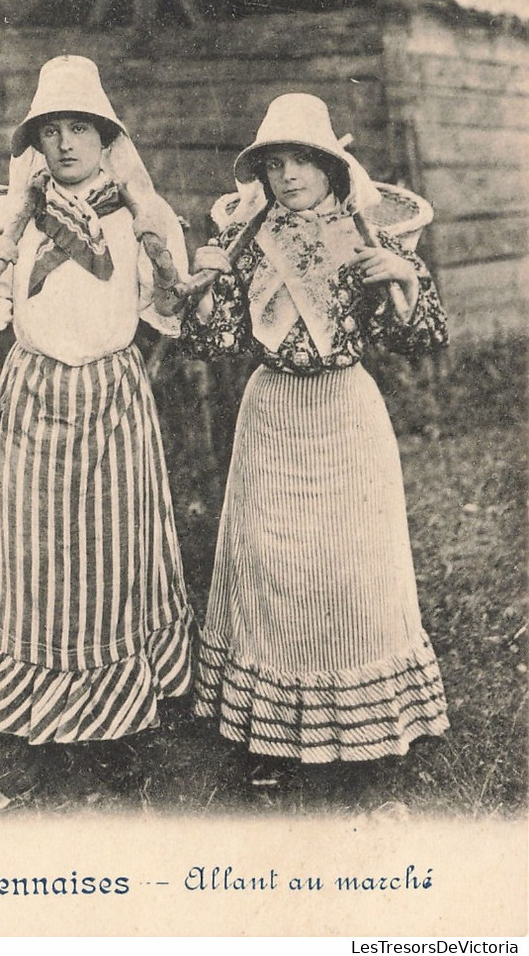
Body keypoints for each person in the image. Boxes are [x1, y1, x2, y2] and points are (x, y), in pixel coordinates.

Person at [0, 55, 193, 807]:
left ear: (107, 135)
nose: (66, 144)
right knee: (34, 560)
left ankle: (111, 726)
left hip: (112, 397)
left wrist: (172, 271)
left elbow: (173, 309)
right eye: (51, 131)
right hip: (34, 396)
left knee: (112, 552)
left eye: (80, 127)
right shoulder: (11, 215)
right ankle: (33, 719)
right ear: (35, 143)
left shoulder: (139, 215)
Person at [180, 92, 450, 777]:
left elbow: (421, 338)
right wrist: (207, 290)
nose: (290, 175)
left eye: (304, 160)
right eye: (275, 164)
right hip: (272, 411)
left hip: (345, 409)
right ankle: (271, 731)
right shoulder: (249, 238)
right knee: (273, 567)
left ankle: (359, 735)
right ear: (262, 174)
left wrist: (406, 281)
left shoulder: (366, 232)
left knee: (352, 567)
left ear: (333, 165)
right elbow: (217, 342)